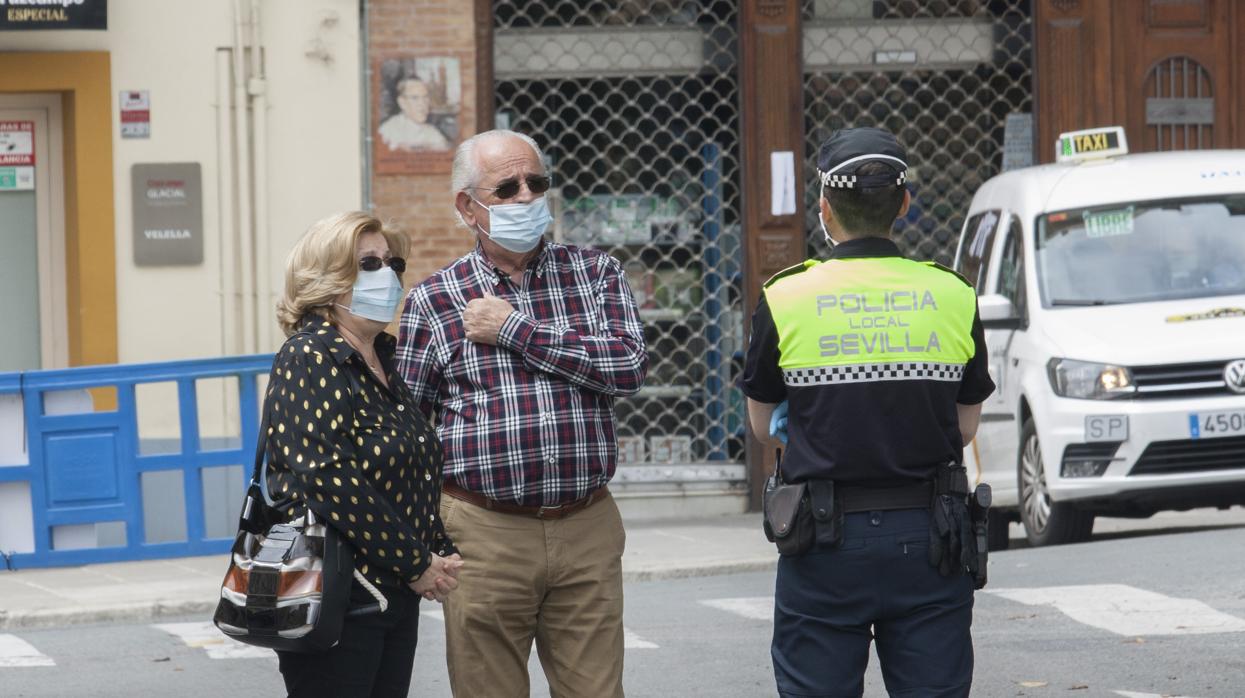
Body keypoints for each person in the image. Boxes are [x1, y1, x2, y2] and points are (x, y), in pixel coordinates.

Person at [741, 127, 995, 698]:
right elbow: (966, 426)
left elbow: (763, 427)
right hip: (931, 537)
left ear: (825, 209)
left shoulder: (785, 295)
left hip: (824, 541)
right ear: (904, 204)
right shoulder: (952, 293)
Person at [396, 129, 648, 697]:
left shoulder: (595, 273)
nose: (526, 198)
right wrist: (422, 540)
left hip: (586, 523)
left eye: (537, 184)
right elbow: (412, 425)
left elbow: (628, 365)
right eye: (506, 187)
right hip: (483, 531)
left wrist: (516, 330)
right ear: (468, 206)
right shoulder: (435, 300)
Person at [266, 211, 464, 697]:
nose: (389, 275)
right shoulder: (310, 356)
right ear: (329, 281)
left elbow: (409, 467)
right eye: (368, 263)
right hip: (336, 596)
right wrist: (416, 562)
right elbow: (329, 477)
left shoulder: (380, 361)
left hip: (391, 592)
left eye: (392, 263)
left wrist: (437, 548)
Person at [379, 77, 452, 151]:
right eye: (415, 98)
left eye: (425, 97)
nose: (422, 104)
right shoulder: (387, 131)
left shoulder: (432, 133)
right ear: (402, 102)